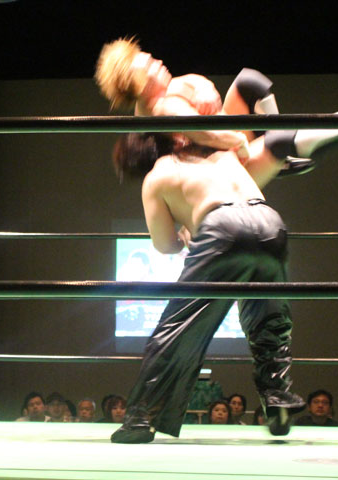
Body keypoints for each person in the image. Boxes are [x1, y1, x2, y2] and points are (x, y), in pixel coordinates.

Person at [108, 127, 311, 444]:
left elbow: (164, 245)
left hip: (221, 226)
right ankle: (278, 397)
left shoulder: (158, 175)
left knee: (178, 326)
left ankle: (140, 417)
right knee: (269, 317)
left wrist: (186, 234)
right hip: (270, 221)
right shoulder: (220, 153)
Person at [95, 37, 338, 174]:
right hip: (218, 162)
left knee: (249, 81)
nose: (158, 62)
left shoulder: (167, 89)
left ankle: (287, 147)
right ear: (139, 85)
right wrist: (239, 141)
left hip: (225, 142)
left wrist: (205, 89)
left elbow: (197, 83)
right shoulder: (159, 110)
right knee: (281, 140)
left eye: (151, 58)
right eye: (149, 66)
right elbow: (208, 135)